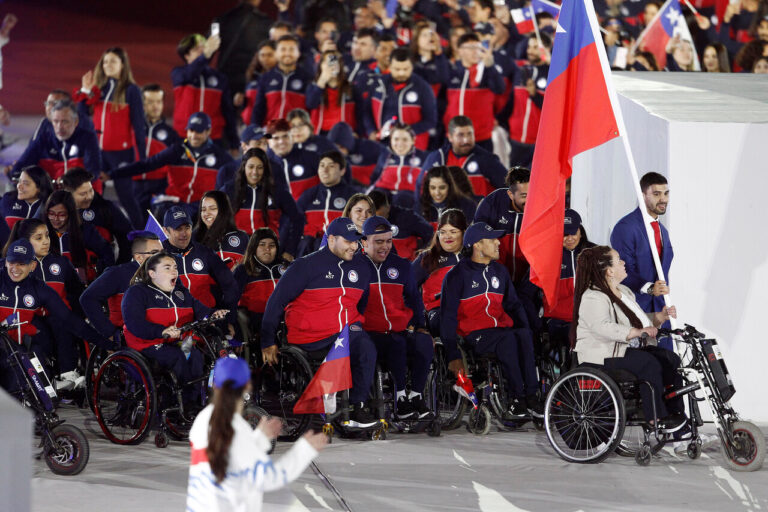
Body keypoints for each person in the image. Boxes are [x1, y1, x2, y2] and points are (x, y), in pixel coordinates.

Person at [260, 217, 379, 427]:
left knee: (365, 344)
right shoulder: (305, 265)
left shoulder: (362, 267)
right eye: (349, 241)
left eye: (356, 241)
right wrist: (267, 341)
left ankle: (356, 407)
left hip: (346, 334)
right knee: (357, 340)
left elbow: (362, 304)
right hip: (311, 338)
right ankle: (330, 397)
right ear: (332, 239)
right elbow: (276, 302)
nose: (354, 246)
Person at [187, 356, 327, 511]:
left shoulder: (202, 420)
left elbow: (233, 457)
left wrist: (259, 438)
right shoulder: (237, 429)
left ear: (214, 385)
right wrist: (304, 450)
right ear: (247, 386)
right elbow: (268, 477)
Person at [571, 245, 685, 433]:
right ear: (609, 271)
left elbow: (638, 321)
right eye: (619, 261)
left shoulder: (623, 291)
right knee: (648, 364)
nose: (624, 263)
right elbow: (602, 326)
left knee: (670, 359)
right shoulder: (593, 296)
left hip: (624, 348)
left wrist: (659, 317)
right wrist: (633, 333)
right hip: (602, 353)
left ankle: (675, 413)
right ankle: (654, 417)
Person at [440, 222, 542, 419]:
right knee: (509, 340)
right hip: (474, 334)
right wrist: (453, 353)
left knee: (523, 335)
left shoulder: (500, 271)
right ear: (477, 245)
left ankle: (532, 396)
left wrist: (526, 328)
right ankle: (516, 398)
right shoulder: (457, 275)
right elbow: (448, 316)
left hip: (500, 329)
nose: (498, 243)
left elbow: (514, 305)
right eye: (492, 239)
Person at [0, 239, 112, 393]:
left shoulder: (39, 289)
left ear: (32, 266)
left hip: (20, 348)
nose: (15, 268)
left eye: (21, 264)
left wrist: (105, 343)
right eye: (12, 262)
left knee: (42, 387)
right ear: (5, 262)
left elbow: (70, 320)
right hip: (5, 348)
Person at [122, 251, 229, 406]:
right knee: (177, 357)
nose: (174, 271)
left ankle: (193, 402)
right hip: (146, 342)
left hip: (176, 339)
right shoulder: (137, 292)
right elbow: (135, 324)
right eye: (167, 268)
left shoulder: (180, 292)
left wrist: (214, 313)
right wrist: (161, 331)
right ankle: (174, 404)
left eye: (175, 267)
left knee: (197, 356)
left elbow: (199, 309)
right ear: (152, 273)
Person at [360, 216, 434, 419]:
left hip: (399, 330)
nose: (385, 247)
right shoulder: (355, 266)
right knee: (395, 343)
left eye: (388, 241)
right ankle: (400, 399)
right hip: (370, 334)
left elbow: (414, 298)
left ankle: (416, 395)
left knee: (424, 342)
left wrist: (420, 324)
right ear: (364, 242)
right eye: (379, 242)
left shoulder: (401, 265)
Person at [3, 219, 86, 389]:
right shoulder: (11, 266)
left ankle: (68, 373)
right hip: (28, 318)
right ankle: (46, 381)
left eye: (47, 236)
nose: (46, 241)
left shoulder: (61, 263)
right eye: (39, 238)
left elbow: (77, 291)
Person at [109, 112, 234, 220]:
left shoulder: (220, 156)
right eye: (191, 130)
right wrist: (112, 174)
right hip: (175, 203)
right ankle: (155, 245)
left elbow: (234, 180)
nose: (194, 136)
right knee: (161, 212)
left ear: (209, 131)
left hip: (201, 207)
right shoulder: (177, 150)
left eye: (199, 131)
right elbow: (147, 164)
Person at [77, 47, 146, 227]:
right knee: (91, 197)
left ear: (123, 65)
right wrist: (85, 90)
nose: (108, 65)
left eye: (113, 61)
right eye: (105, 61)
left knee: (126, 198)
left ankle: (144, 235)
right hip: (98, 154)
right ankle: (95, 232)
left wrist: (143, 160)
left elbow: (139, 127)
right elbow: (82, 114)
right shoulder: (98, 88)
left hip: (122, 155)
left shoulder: (131, 91)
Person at [610, 172, 674, 349]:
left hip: (661, 311)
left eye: (666, 193)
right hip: (637, 308)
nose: (663, 199)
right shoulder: (626, 228)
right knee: (645, 368)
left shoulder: (663, 231)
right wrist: (650, 288)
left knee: (668, 365)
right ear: (642, 195)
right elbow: (622, 271)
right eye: (656, 194)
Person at [80, 231, 163, 339]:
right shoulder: (118, 273)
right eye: (155, 253)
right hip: (128, 339)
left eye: (163, 253)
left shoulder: (164, 274)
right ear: (139, 257)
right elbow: (87, 298)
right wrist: (109, 332)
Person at [224, 147, 303, 259]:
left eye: (259, 167)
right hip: (236, 248)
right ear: (243, 167)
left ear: (265, 169)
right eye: (250, 167)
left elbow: (298, 220)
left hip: (267, 250)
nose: (255, 172)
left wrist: (290, 251)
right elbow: (215, 217)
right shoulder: (229, 190)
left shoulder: (277, 192)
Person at [161, 206, 239, 320]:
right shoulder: (158, 257)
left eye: (187, 228)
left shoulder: (205, 253)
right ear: (165, 231)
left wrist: (229, 317)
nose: (184, 234)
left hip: (208, 319)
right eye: (178, 229)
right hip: (175, 321)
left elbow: (229, 285)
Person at [172, 33, 239, 151]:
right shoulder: (179, 73)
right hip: (183, 136)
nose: (202, 51)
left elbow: (228, 111)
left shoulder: (219, 78)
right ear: (187, 55)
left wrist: (233, 142)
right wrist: (205, 55)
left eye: (204, 47)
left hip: (213, 137)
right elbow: (190, 74)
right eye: (197, 49)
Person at [418, 116, 507, 200]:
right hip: (445, 214)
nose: (466, 140)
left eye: (469, 134)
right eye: (460, 135)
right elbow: (420, 188)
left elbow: (510, 188)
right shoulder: (436, 158)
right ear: (450, 137)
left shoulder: (486, 159)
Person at [11, 100, 101, 182]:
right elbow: (22, 164)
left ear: (76, 121)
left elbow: (93, 172)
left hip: (80, 193)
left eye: (65, 121)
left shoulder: (88, 138)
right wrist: (16, 173)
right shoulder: (43, 138)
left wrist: (71, 182)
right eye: (55, 121)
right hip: (50, 194)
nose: (59, 127)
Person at [444, 33, 504, 151]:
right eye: (471, 48)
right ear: (460, 51)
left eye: (478, 47)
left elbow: (500, 89)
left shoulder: (487, 71)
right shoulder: (451, 71)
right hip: (454, 137)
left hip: (481, 137)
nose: (475, 51)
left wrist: (490, 66)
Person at [412, 209, 467, 336]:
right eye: (442, 232)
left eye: (453, 232)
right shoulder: (427, 258)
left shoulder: (472, 255)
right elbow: (407, 289)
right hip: (439, 311)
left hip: (469, 308)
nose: (447, 237)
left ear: (464, 232)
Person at [61, 167, 132, 263]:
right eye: (83, 194)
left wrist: (121, 266)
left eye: (91, 190)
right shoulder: (57, 212)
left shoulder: (105, 208)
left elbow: (127, 236)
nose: (89, 196)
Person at [233, 228, 289, 349]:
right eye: (262, 245)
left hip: (287, 316)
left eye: (272, 245)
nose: (267, 249)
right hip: (257, 319)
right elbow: (230, 299)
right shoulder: (243, 270)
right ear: (254, 247)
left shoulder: (286, 267)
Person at [43, 190, 115, 282]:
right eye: (51, 214)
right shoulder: (41, 233)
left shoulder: (86, 231)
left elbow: (108, 255)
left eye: (61, 215)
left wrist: (100, 280)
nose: (56, 219)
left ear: (70, 214)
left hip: (79, 287)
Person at [474, 166, 530, 284]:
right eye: (524, 196)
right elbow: (477, 240)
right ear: (510, 194)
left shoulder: (540, 207)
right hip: (496, 280)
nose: (530, 200)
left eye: (532, 194)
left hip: (530, 281)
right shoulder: (492, 203)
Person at [296, 150, 358, 256]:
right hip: (309, 247)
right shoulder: (308, 194)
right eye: (322, 166)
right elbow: (294, 222)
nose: (325, 170)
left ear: (342, 171)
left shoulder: (353, 196)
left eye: (331, 166)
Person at [375, 48, 436, 151]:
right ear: (389, 66)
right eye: (397, 69)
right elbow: (366, 111)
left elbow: (431, 120)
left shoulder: (423, 87)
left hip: (414, 146)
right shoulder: (379, 84)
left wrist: (405, 133)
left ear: (412, 66)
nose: (401, 73)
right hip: (382, 143)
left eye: (406, 69)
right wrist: (370, 131)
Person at [136, 84, 180, 212]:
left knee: (156, 227)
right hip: (135, 185)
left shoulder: (171, 134)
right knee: (136, 226)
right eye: (150, 102)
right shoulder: (132, 129)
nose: (155, 106)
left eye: (158, 101)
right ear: (142, 104)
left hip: (160, 186)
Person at [251, 35, 312, 126]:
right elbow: (258, 109)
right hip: (271, 134)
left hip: (296, 133)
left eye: (291, 50)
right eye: (283, 49)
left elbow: (312, 110)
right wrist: (255, 131)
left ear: (298, 53)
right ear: (276, 53)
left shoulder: (307, 78)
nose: (287, 53)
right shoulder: (266, 78)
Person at [306, 50, 365, 135]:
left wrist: (357, 133)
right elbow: (311, 104)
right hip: (320, 133)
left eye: (334, 62)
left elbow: (360, 114)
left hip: (344, 134)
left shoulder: (350, 87)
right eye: (328, 63)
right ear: (321, 65)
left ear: (340, 65)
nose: (332, 66)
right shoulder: (313, 86)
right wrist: (321, 81)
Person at [369, 122, 427, 207]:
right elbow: (375, 176)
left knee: (402, 198)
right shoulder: (385, 155)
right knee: (375, 198)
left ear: (413, 140)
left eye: (405, 139)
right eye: (396, 139)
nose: (400, 143)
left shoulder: (423, 157)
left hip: (408, 196)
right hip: (384, 191)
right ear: (391, 140)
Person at [266, 118, 321, 201]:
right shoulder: (263, 165)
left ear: (292, 138)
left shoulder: (312, 158)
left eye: (285, 136)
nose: (281, 141)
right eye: (276, 138)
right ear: (269, 142)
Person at [369, 191, 433, 262]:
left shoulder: (407, 218)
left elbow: (430, 234)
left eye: (379, 216)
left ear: (387, 206)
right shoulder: (363, 221)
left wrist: (419, 259)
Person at [194, 191, 250, 269]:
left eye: (212, 208)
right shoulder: (194, 239)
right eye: (203, 210)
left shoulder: (242, 237)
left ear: (223, 210)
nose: (207, 213)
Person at [327, 121, 385, 187]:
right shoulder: (330, 155)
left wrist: (378, 170)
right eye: (335, 148)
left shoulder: (366, 146)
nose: (338, 151)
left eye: (341, 147)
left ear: (348, 144)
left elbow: (385, 152)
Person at [215, 124, 272, 191]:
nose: (263, 148)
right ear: (244, 145)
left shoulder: (274, 169)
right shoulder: (227, 171)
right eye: (258, 143)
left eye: (265, 144)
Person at [240, 40, 277, 125]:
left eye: (270, 55)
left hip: (270, 127)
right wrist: (242, 100)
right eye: (262, 55)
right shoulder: (253, 75)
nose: (265, 59)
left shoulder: (281, 79)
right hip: (249, 126)